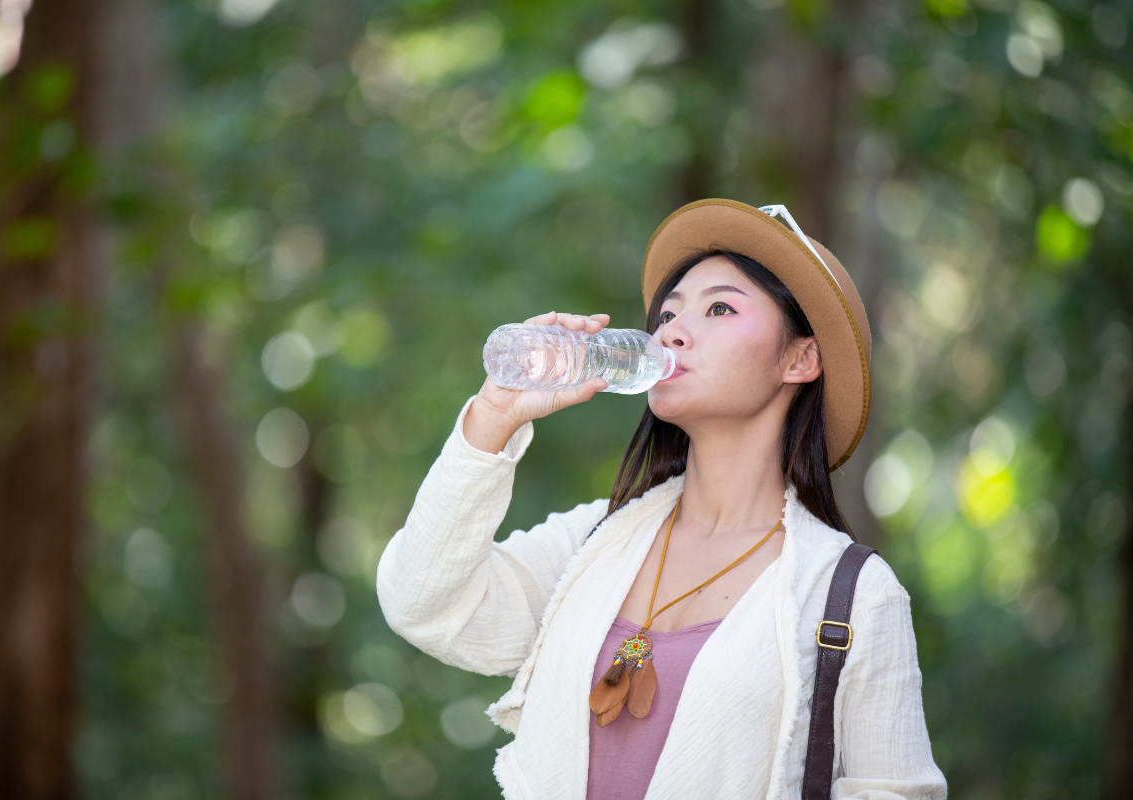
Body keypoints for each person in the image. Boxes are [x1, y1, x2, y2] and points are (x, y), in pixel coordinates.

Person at [377, 199, 947, 799]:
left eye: (720, 308)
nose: (670, 331)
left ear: (800, 358)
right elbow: (424, 604)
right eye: (667, 313)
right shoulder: (595, 540)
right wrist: (494, 418)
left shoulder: (851, 594)